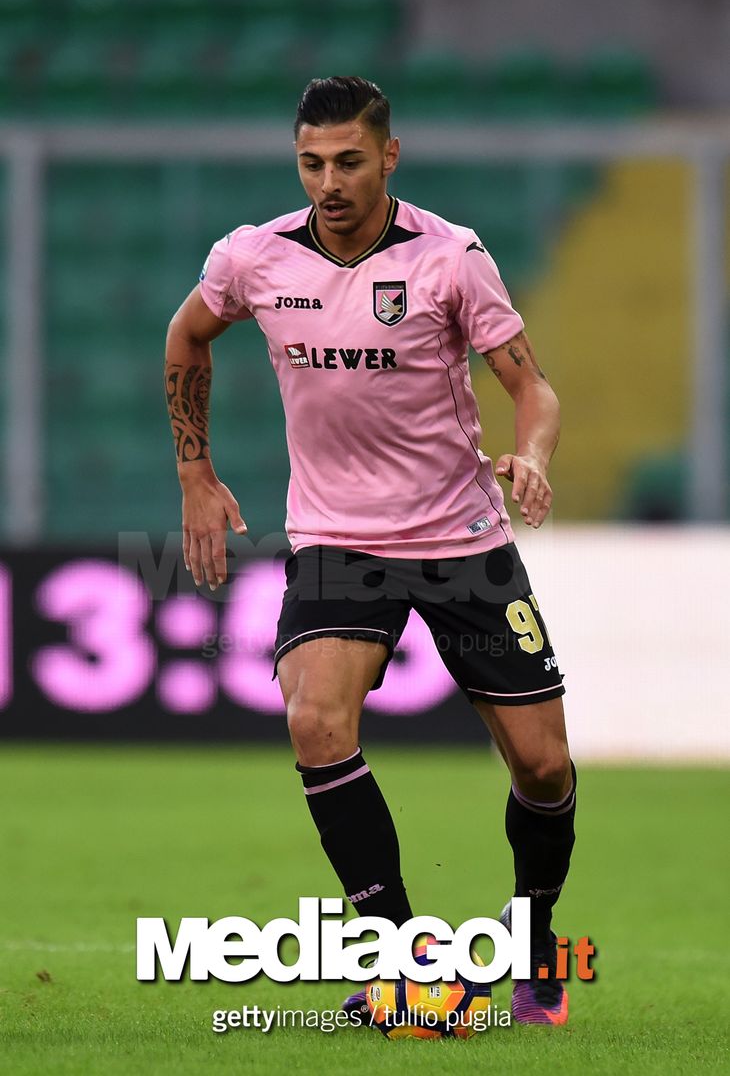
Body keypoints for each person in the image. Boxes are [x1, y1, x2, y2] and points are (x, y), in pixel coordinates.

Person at [165, 76, 576, 1027]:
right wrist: (195, 472)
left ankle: (535, 939)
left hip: (460, 536)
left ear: (389, 156)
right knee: (314, 721)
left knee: (544, 767)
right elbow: (188, 337)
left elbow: (534, 388)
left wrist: (535, 457)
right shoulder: (253, 257)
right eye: (312, 163)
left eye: (349, 161)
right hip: (337, 537)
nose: (329, 182)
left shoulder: (451, 258)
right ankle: (401, 960)